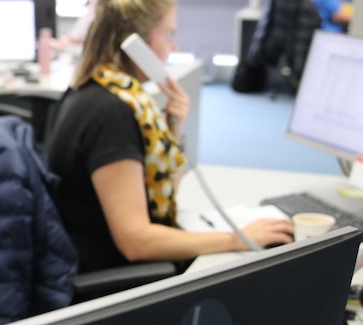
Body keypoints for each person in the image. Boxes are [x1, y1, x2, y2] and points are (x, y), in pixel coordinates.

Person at [47, 0, 294, 274]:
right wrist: (238, 239)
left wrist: (173, 131)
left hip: (104, 256)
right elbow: (135, 241)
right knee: (249, 268)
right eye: (168, 35)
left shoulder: (96, 89)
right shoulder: (111, 113)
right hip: (113, 277)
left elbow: (162, 195)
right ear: (135, 45)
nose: (174, 47)